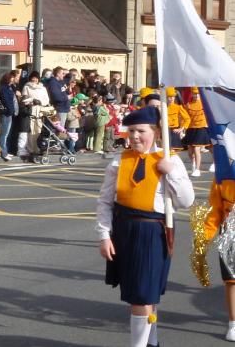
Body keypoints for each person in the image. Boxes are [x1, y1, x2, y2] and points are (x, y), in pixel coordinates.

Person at [96, 106, 194, 347]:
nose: (135, 136)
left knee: (142, 294)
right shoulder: (119, 161)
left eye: (141, 131)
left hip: (153, 231)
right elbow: (105, 201)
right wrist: (104, 235)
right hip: (124, 231)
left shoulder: (169, 160)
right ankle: (153, 342)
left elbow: (186, 201)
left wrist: (171, 173)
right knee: (142, 294)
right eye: (131, 131)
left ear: (156, 132)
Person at [203, 162, 235, 341]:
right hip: (230, 232)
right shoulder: (222, 177)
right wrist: (205, 237)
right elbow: (214, 211)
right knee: (232, 280)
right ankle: (233, 323)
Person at [22, 70, 52, 158]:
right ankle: (31, 149)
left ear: (38, 79)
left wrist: (40, 102)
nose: (34, 80)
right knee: (31, 131)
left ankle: (38, 148)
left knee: (38, 131)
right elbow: (24, 99)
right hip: (30, 111)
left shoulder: (42, 88)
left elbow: (46, 100)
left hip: (40, 111)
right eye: (33, 78)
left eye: (36, 78)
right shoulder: (27, 87)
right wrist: (31, 101)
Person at [183, 87, 210, 177]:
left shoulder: (204, 103)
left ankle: (197, 169)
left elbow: (209, 114)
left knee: (196, 149)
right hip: (191, 129)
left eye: (198, 94)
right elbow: (185, 117)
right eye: (195, 94)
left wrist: (208, 124)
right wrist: (183, 128)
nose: (197, 95)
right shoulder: (188, 105)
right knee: (190, 152)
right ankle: (193, 163)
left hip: (201, 127)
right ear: (192, 94)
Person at [0, 71, 17, 161]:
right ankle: (3, 153)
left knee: (4, 133)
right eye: (11, 78)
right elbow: (7, 101)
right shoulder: (4, 89)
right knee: (4, 134)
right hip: (6, 113)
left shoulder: (8, 88)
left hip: (7, 113)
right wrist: (11, 110)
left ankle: (1, 150)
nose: (13, 79)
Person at [166, 87, 190, 151]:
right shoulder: (163, 107)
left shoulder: (178, 107)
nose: (171, 98)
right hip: (165, 131)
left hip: (174, 131)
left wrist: (181, 129)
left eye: (172, 97)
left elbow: (187, 119)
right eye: (169, 97)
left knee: (173, 151)